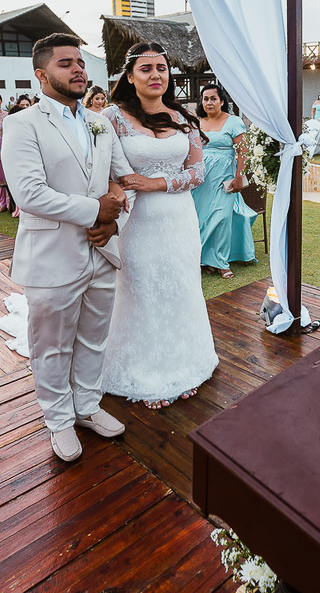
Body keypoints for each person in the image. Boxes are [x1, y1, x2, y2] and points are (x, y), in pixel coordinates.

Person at [1, 33, 133, 463]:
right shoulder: (23, 125)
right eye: (65, 63)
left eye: (80, 62)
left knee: (95, 338)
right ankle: (58, 419)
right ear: (41, 75)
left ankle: (87, 406)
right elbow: (30, 194)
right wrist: (96, 210)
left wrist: (111, 219)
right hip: (52, 254)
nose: (78, 69)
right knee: (52, 344)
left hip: (101, 251)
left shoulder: (100, 122)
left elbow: (121, 180)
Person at [101, 42, 218, 410]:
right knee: (141, 288)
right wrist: (117, 190)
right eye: (146, 69)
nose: (156, 75)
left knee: (181, 285)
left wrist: (156, 183)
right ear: (131, 76)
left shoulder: (184, 117)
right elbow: (100, 169)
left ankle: (186, 363)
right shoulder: (112, 117)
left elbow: (198, 171)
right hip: (137, 221)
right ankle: (148, 371)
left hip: (179, 219)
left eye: (162, 69)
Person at [193, 83, 256, 279]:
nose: (209, 102)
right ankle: (205, 259)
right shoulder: (196, 122)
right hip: (201, 178)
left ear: (222, 101)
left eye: (213, 98)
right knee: (201, 218)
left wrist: (239, 177)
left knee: (221, 218)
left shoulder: (233, 121)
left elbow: (243, 152)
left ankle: (221, 261)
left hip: (224, 177)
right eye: (205, 99)